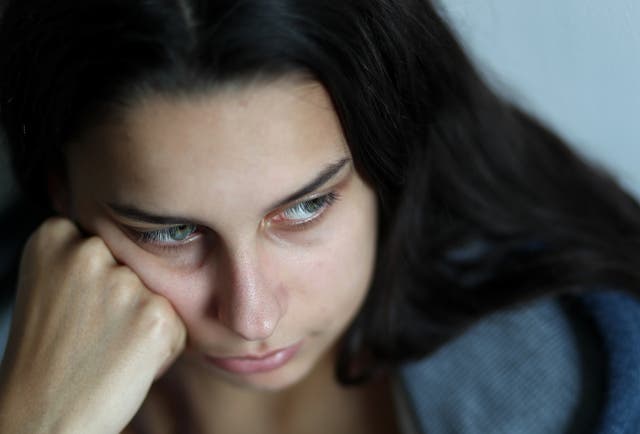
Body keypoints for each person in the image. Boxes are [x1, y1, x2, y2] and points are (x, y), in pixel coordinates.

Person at [0, 0, 639, 433]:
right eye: (169, 232)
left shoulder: (576, 391)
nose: (252, 317)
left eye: (305, 208)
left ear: (390, 161)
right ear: (62, 190)